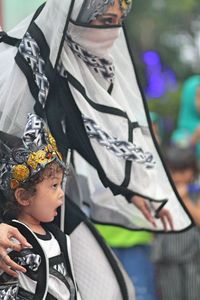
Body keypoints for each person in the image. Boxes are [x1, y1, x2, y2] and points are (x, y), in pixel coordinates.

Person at [0, 0, 192, 276]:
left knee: (111, 286)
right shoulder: (22, 69)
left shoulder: (68, 77)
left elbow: (83, 136)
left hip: (51, 212)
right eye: (104, 21)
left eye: (117, 21)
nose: (113, 32)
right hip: (10, 223)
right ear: (76, 20)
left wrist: (130, 191)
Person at [0, 113, 82, 299]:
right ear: (24, 196)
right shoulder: (13, 242)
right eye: (54, 186)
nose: (61, 193)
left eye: (61, 185)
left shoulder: (59, 237)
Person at [152, 145, 200, 300]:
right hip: (167, 257)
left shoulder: (196, 191)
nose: (179, 176)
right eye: (174, 172)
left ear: (193, 170)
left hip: (193, 258)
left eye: (184, 171)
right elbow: (154, 219)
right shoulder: (160, 191)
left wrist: (184, 199)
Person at [172, 75, 200, 159]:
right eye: (199, 96)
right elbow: (178, 159)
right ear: (189, 98)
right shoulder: (181, 134)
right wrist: (194, 139)